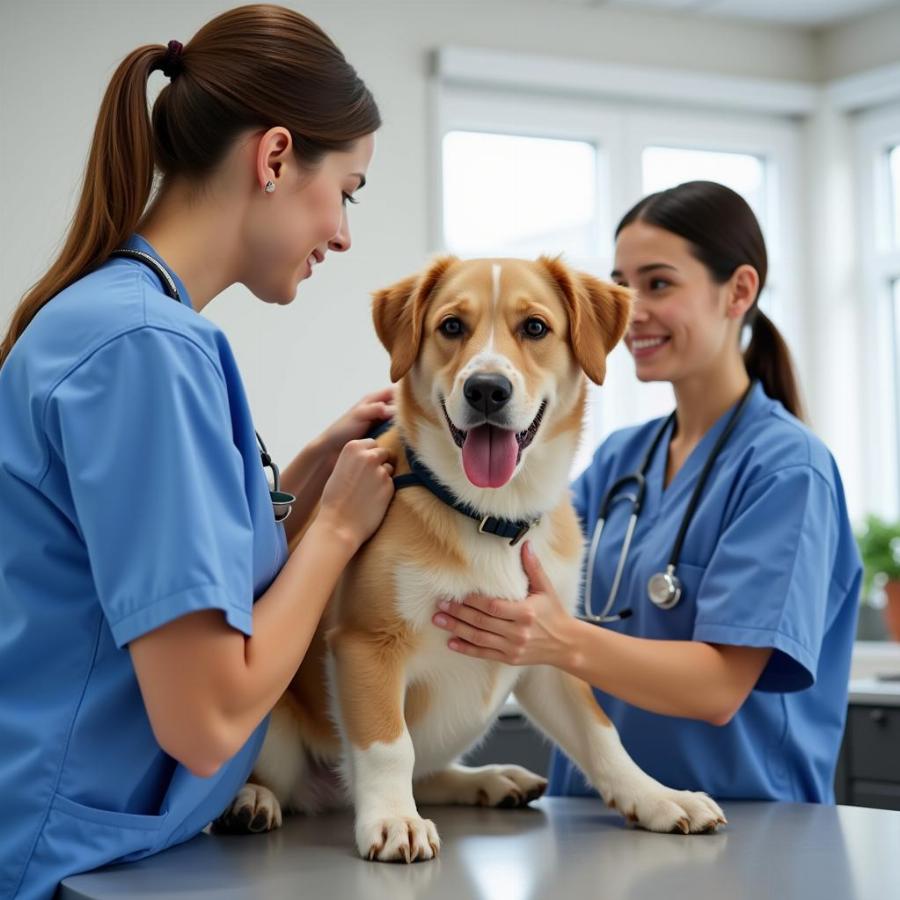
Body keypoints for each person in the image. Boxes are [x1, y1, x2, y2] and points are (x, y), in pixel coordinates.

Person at [0, 6, 396, 898]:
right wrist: (332, 532)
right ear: (276, 157)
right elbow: (208, 718)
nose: (342, 235)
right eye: (350, 191)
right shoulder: (146, 348)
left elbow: (133, 571)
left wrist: (293, 486)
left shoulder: (117, 319)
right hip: (56, 857)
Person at [431, 180, 862, 806]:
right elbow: (498, 549)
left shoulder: (788, 470)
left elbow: (718, 689)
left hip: (747, 826)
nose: (630, 309)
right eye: (621, 283)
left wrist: (559, 640)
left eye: (658, 284)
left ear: (739, 291)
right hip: (603, 818)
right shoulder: (619, 461)